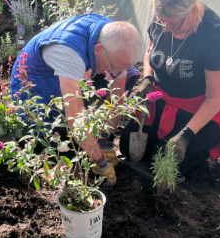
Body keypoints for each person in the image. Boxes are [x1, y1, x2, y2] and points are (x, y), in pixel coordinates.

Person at [119, 0, 220, 176]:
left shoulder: (217, 36)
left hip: (200, 107)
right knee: (126, 147)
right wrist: (147, 78)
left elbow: (215, 97)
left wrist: (186, 135)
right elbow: (150, 52)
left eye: (174, 25)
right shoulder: (163, 21)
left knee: (166, 163)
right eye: (162, 24)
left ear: (193, 11)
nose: (167, 30)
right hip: (162, 99)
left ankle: (217, 136)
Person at [10, 13, 143, 185]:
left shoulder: (114, 39)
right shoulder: (69, 53)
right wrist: (102, 163)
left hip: (67, 74)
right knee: (50, 146)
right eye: (115, 67)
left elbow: (116, 95)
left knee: (114, 81)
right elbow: (76, 120)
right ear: (99, 50)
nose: (116, 72)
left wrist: (106, 141)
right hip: (34, 83)